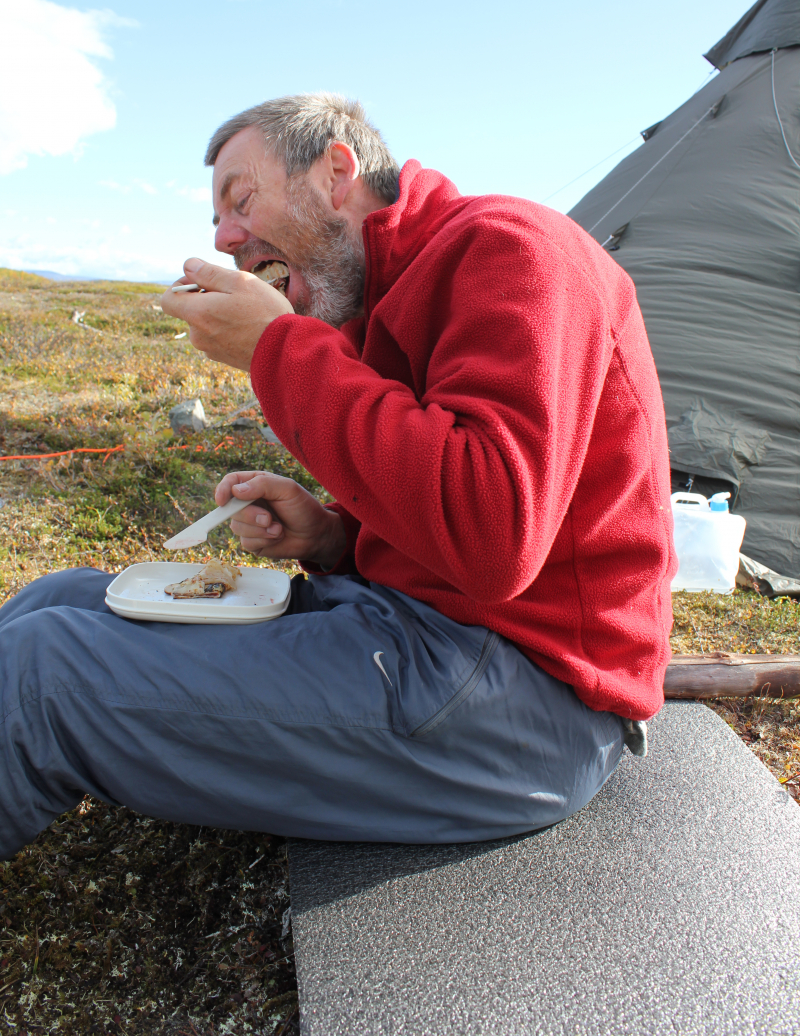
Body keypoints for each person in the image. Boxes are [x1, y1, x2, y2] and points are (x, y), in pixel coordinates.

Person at [0, 94, 676, 857]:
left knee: (41, 672)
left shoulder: (513, 251)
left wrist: (277, 348)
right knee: (58, 598)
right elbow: (442, 498)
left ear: (336, 171)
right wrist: (333, 536)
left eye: (241, 200)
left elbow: (494, 536)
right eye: (218, 220)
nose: (223, 238)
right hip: (419, 630)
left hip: (528, 696)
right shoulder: (378, 295)